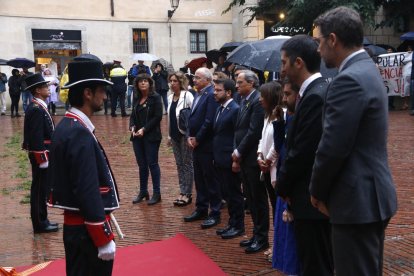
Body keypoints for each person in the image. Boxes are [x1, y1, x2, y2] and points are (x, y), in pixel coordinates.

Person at [311, 7, 398, 276]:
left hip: (356, 202)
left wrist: (316, 191)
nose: (317, 50)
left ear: (333, 39)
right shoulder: (366, 69)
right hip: (369, 196)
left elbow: (333, 147)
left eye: (318, 42)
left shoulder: (348, 79)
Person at [47, 60, 120, 275]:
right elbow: (87, 188)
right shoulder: (77, 131)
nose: (105, 96)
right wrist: (102, 237)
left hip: (78, 229)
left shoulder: (68, 125)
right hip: (86, 232)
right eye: (101, 91)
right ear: (88, 93)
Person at [277, 34, 333, 275]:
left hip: (310, 200)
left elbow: (302, 151)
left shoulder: (315, 96)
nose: (282, 69)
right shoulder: (313, 93)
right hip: (307, 197)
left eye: (284, 62)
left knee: (315, 265)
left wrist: (283, 186)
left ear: (298, 63)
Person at [233, 70, 268, 254]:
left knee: (258, 198)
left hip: (253, 158)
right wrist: (236, 149)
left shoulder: (256, 101)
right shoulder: (243, 100)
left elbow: (254, 131)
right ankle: (255, 233)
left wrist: (239, 150)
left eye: (240, 83)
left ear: (251, 83)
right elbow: (238, 128)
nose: (236, 86)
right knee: (250, 197)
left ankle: (262, 237)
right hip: (244, 157)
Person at [183, 67, 221, 229]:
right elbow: (192, 118)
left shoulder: (211, 94)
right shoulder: (198, 94)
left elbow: (209, 120)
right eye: (194, 78)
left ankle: (215, 212)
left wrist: (197, 139)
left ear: (207, 79)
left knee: (210, 179)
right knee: (199, 178)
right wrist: (190, 136)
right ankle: (201, 208)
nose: (194, 80)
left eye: (197, 78)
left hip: (206, 145)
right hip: (196, 143)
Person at [22, 73, 58, 234]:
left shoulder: (39, 105)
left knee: (42, 188)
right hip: (41, 154)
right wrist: (42, 158)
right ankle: (40, 223)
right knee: (39, 189)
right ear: (37, 90)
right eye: (45, 86)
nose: (48, 88)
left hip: (44, 152)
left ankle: (43, 219)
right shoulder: (36, 109)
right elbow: (36, 136)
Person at [271, 78, 300, 274]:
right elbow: (281, 146)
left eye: (288, 94)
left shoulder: (302, 117)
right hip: (284, 176)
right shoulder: (286, 116)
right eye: (283, 94)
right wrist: (279, 123)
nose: (284, 98)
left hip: (292, 182)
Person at [212, 78, 245, 239]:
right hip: (219, 159)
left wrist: (235, 159)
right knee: (227, 193)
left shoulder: (235, 109)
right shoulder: (220, 109)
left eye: (218, 90)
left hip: (229, 159)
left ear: (228, 92)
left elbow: (236, 136)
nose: (215, 93)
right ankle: (232, 223)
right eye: (215, 90)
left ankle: (238, 226)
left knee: (234, 194)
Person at [256, 81, 281, 258]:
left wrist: (268, 159)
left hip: (275, 168)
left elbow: (279, 142)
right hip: (265, 166)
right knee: (274, 208)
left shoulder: (281, 114)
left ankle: (279, 247)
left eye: (263, 96)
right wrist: (259, 155)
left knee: (279, 210)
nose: (260, 99)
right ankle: (277, 245)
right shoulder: (267, 115)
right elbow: (262, 138)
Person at [130, 73, 163, 205]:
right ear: (137, 84)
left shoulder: (155, 97)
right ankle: (143, 191)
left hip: (151, 136)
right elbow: (132, 114)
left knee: (152, 163)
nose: (143, 83)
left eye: (145, 81)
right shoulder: (137, 98)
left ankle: (157, 193)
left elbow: (157, 117)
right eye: (140, 81)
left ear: (150, 83)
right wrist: (132, 126)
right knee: (142, 165)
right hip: (137, 136)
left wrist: (144, 129)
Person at [167, 72, 194, 206]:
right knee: (179, 164)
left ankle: (187, 193)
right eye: (171, 81)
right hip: (174, 134)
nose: (172, 84)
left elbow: (192, 115)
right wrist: (168, 135)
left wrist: (191, 135)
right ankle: (182, 191)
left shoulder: (187, 95)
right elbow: (170, 118)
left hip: (185, 134)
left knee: (187, 163)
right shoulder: (170, 97)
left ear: (181, 82)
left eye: (175, 81)